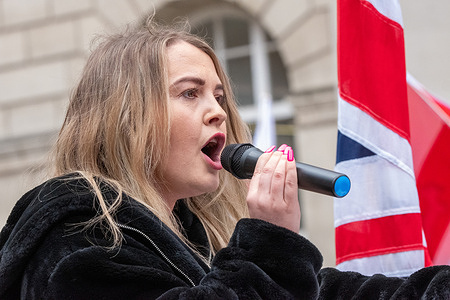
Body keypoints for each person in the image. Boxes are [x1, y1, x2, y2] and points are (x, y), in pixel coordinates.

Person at [0, 17, 448, 300]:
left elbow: (329, 291)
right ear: (126, 117)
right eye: (190, 93)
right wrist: (269, 242)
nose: (218, 110)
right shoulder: (73, 236)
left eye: (218, 94)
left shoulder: (199, 244)